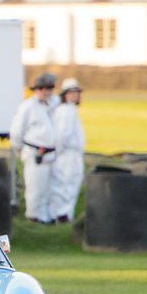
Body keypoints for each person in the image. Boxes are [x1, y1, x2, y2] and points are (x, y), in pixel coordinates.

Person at [10, 72, 58, 224]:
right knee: (34, 186)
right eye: (43, 88)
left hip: (50, 152)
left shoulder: (51, 104)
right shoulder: (28, 106)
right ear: (36, 89)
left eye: (50, 88)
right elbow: (17, 130)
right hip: (35, 151)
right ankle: (33, 216)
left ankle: (45, 216)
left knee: (47, 188)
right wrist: (19, 147)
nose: (47, 92)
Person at [50, 78, 86, 224]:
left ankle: (63, 215)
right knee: (69, 185)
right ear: (65, 94)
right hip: (69, 155)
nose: (75, 95)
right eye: (71, 92)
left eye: (76, 92)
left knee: (67, 185)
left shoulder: (68, 109)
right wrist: (58, 152)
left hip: (70, 154)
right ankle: (63, 215)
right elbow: (63, 134)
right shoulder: (67, 111)